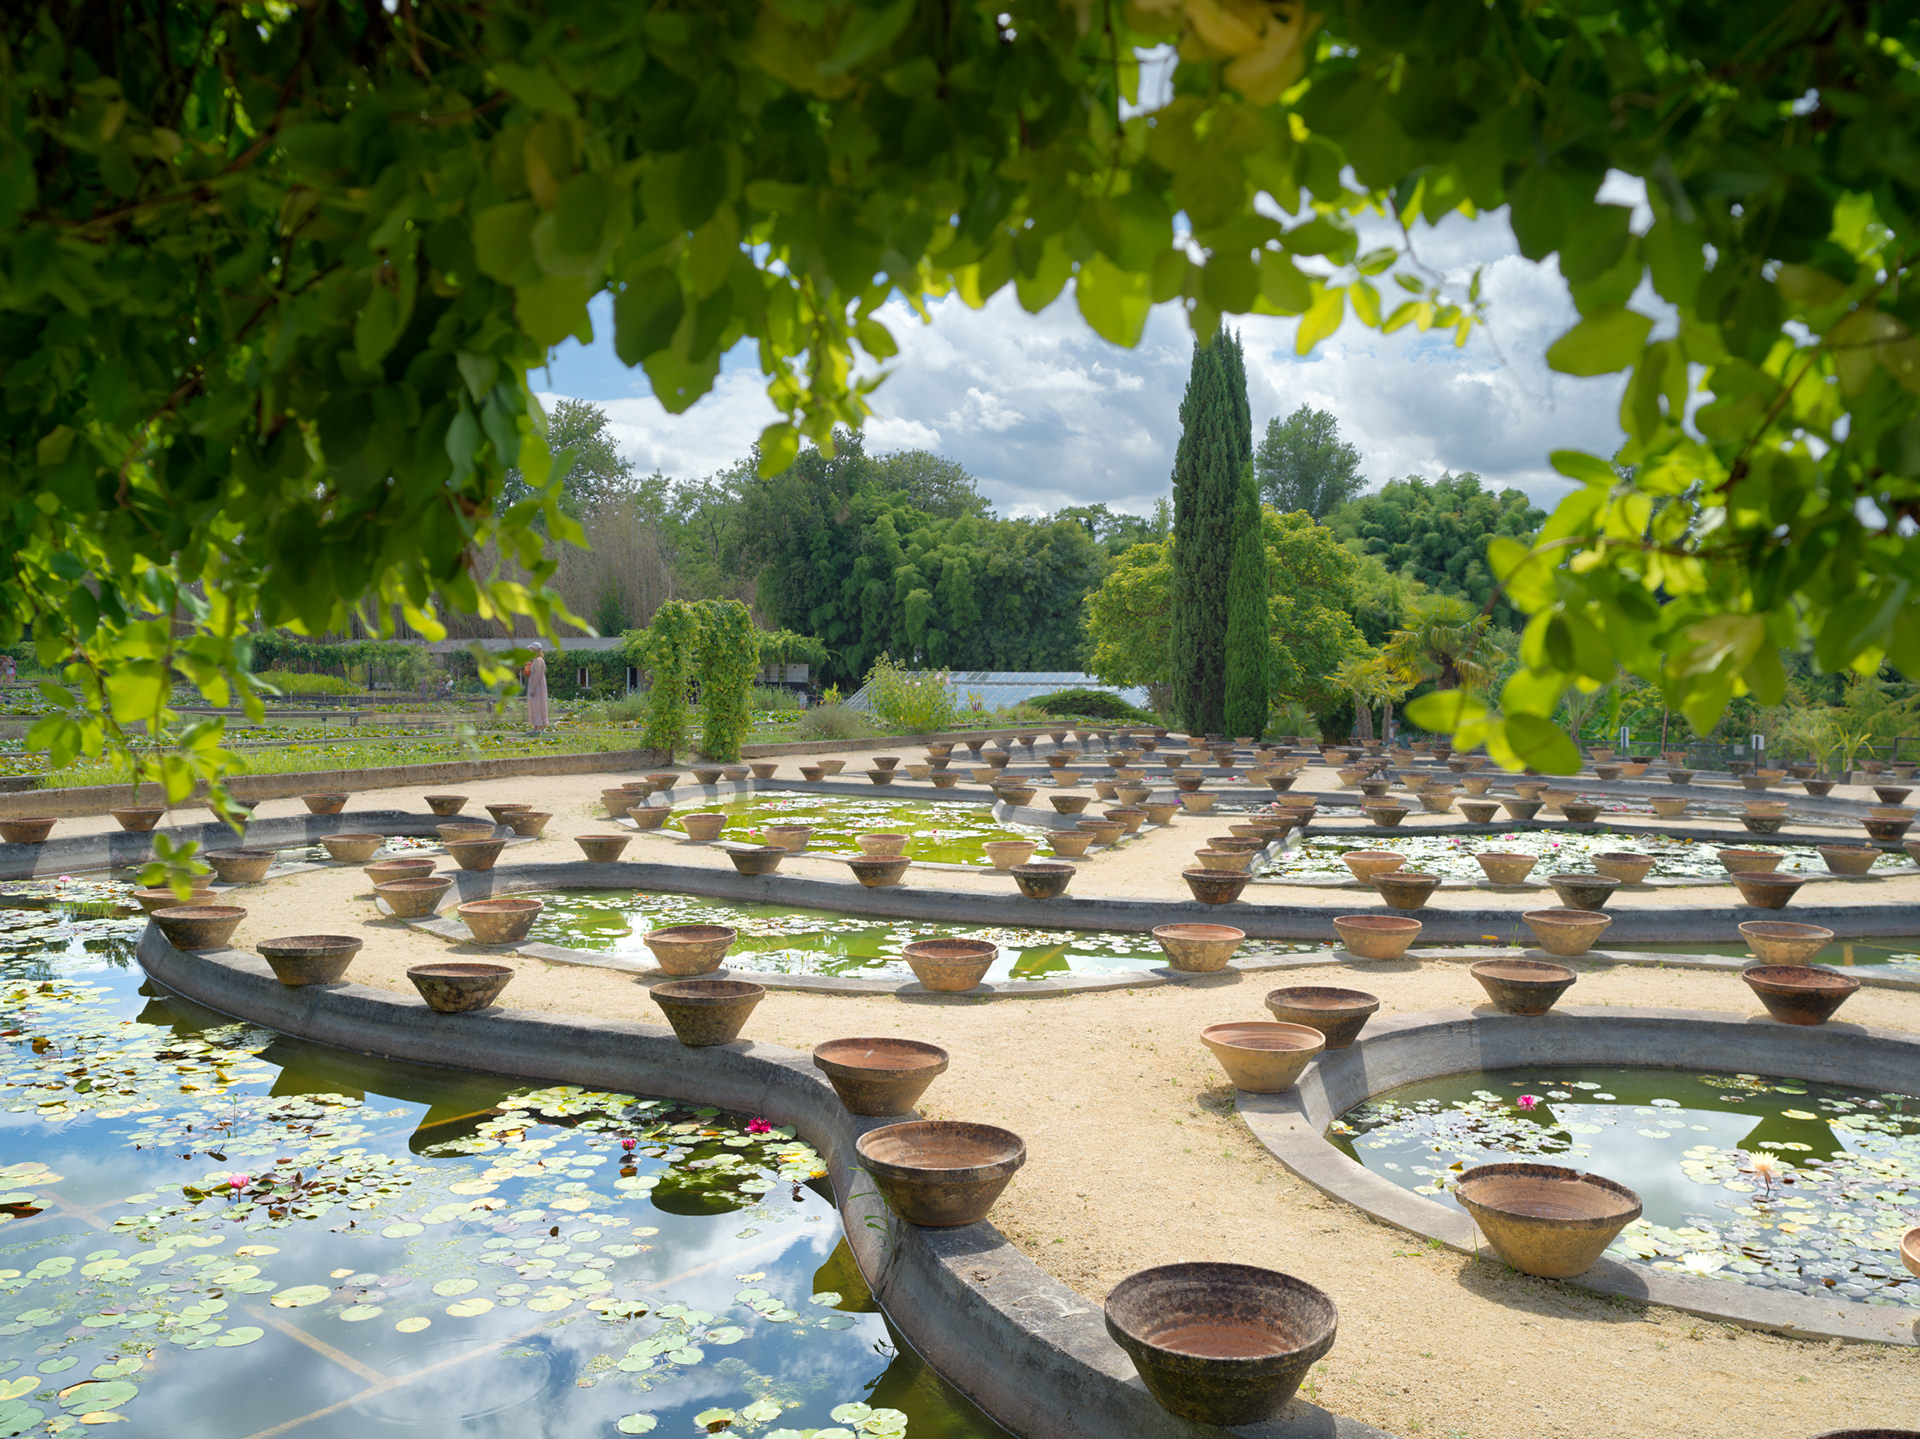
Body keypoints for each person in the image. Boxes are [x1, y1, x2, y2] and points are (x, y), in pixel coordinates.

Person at [522, 643, 549, 732]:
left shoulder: (538, 660)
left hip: (537, 686)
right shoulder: (537, 660)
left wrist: (533, 688)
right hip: (536, 685)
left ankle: (540, 728)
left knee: (538, 705)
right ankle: (536, 727)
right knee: (534, 706)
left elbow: (537, 675)